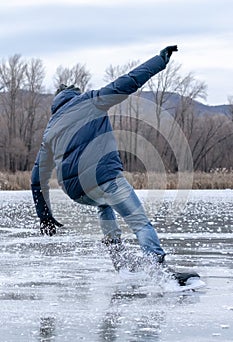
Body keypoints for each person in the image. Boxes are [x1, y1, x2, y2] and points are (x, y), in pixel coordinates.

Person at [31, 45, 199, 285]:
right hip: (106, 178)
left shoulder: (50, 130)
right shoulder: (89, 101)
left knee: (103, 204)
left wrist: (44, 216)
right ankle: (161, 272)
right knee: (140, 221)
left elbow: (37, 179)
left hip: (77, 192)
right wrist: (159, 60)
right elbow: (127, 82)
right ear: (75, 95)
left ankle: (119, 259)